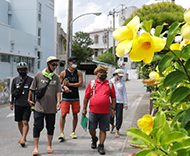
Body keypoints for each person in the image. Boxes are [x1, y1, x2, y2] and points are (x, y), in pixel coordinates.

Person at [28, 56, 62, 155]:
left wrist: (59, 102)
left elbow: (58, 91)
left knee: (50, 127)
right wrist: (29, 100)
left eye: (56, 64)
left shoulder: (56, 77)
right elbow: (32, 88)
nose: (55, 66)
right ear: (48, 64)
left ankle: (49, 145)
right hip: (39, 107)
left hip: (51, 108)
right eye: (53, 64)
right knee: (37, 126)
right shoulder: (38, 75)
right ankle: (35, 147)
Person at [82, 65, 116, 155]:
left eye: (105, 72)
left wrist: (113, 108)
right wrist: (84, 109)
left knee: (103, 129)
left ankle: (101, 145)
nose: (103, 74)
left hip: (105, 112)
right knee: (91, 129)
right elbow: (86, 97)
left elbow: (113, 97)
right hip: (93, 111)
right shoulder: (92, 83)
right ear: (96, 73)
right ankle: (94, 138)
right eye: (101, 72)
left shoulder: (109, 84)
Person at [58, 56, 83, 141]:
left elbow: (80, 84)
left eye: (76, 61)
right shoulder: (63, 73)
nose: (75, 63)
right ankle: (62, 132)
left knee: (75, 114)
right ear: (69, 62)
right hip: (65, 97)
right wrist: (64, 87)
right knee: (63, 114)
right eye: (73, 61)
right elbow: (59, 85)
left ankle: (73, 131)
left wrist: (69, 85)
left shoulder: (79, 73)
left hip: (75, 97)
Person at [10, 62, 33, 147]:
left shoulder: (31, 80)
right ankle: (23, 135)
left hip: (27, 105)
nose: (23, 71)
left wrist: (33, 103)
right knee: (19, 122)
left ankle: (23, 138)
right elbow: (12, 92)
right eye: (21, 70)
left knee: (25, 122)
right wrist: (11, 103)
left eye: (24, 70)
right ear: (18, 71)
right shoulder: (15, 80)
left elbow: (33, 92)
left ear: (27, 70)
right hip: (18, 104)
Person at [109, 69, 128, 138]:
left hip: (119, 101)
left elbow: (124, 93)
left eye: (121, 76)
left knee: (119, 117)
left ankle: (117, 129)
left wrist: (125, 103)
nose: (120, 77)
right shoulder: (110, 82)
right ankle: (112, 124)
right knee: (110, 116)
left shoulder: (122, 83)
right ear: (116, 74)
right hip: (111, 101)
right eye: (119, 76)